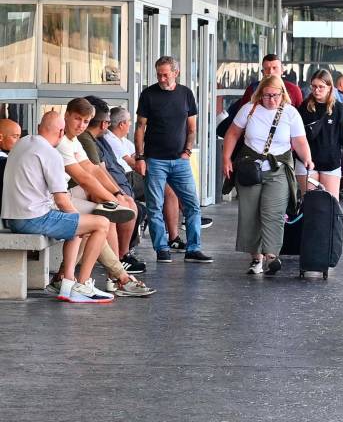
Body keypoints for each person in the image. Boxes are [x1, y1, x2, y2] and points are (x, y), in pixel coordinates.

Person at [1, 111, 113, 303]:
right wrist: (76, 220)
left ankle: (68, 281)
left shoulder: (23, 143)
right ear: (61, 132)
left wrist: (76, 222)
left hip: (12, 217)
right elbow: (61, 199)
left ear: (38, 128)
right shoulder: (50, 153)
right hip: (32, 219)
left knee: (78, 224)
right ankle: (83, 285)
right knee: (101, 223)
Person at [222, 75, 313, 275]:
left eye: (275, 95)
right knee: (250, 213)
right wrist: (226, 159)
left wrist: (307, 159)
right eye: (267, 95)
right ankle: (256, 258)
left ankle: (271, 256)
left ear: (283, 94)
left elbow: (299, 141)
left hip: (278, 168)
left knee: (274, 212)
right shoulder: (249, 109)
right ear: (260, 94)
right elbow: (233, 133)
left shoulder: (290, 113)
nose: (271, 99)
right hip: (249, 167)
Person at [134, 55, 213, 264]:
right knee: (154, 205)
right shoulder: (148, 94)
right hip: (155, 160)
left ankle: (194, 248)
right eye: (158, 74)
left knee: (192, 204)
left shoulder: (186, 93)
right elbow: (140, 127)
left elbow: (192, 127)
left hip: (180, 160)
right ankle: (161, 248)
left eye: (165, 74)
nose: (161, 78)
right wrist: (140, 156)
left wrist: (187, 151)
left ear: (175, 73)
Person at [78, 96, 145, 274]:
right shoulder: (84, 139)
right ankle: (118, 267)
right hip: (80, 192)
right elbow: (92, 174)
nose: (81, 125)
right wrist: (115, 196)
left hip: (89, 190)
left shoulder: (96, 139)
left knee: (125, 206)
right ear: (103, 123)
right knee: (113, 213)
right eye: (79, 120)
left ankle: (119, 264)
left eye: (84, 121)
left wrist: (117, 193)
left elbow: (100, 171)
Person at [297, 69, 343, 200]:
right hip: (307, 163)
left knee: (331, 205)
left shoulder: (339, 109)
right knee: (310, 205)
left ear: (330, 87)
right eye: (314, 86)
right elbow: (296, 136)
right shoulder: (304, 107)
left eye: (321, 87)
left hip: (331, 163)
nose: (317, 90)